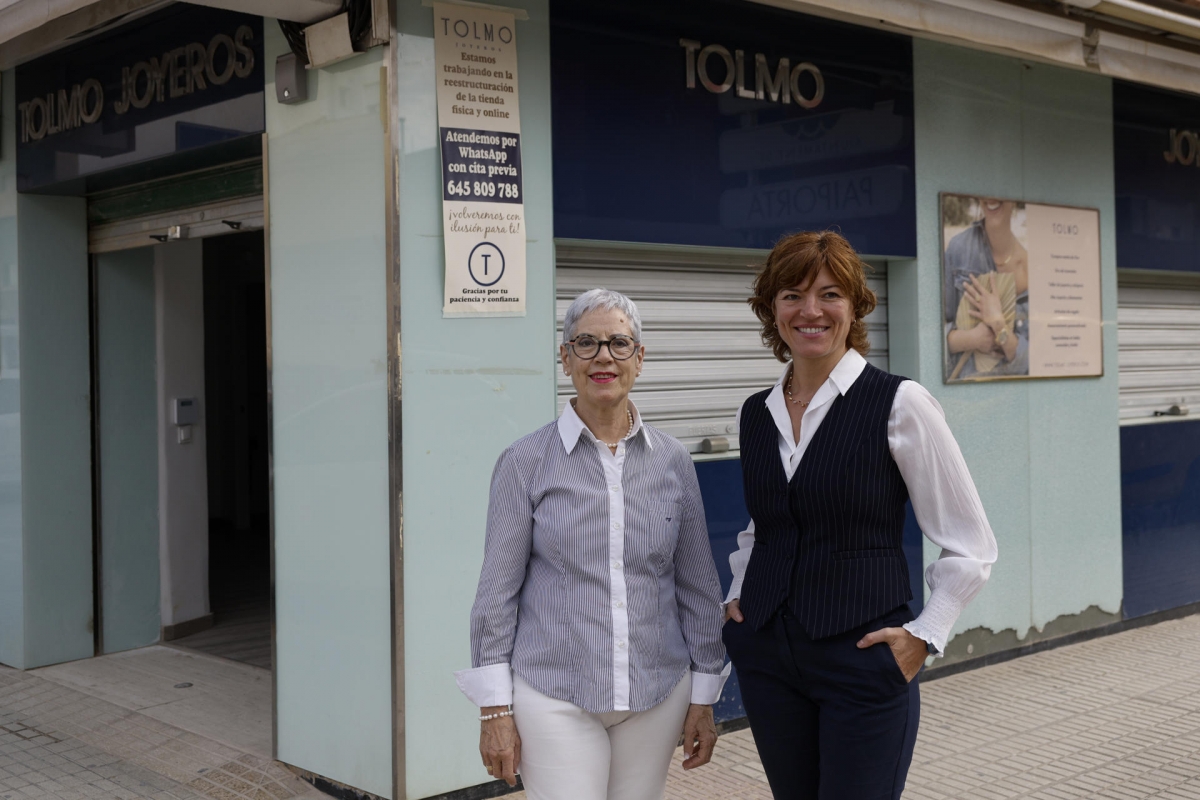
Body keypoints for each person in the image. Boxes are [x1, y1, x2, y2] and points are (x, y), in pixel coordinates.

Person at [722, 231, 998, 799]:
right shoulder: (757, 413)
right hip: (769, 661)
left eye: (829, 294)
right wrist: (738, 595)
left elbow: (971, 541)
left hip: (862, 659)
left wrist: (926, 634)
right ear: (772, 309)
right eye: (792, 295)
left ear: (855, 306)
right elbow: (766, 524)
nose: (811, 310)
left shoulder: (901, 403)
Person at [455, 288, 730, 800]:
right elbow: (496, 595)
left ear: (639, 359)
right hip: (555, 692)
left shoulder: (673, 462)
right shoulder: (525, 462)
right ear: (566, 358)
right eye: (586, 343)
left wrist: (704, 694)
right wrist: (495, 710)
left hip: (655, 692)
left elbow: (696, 585)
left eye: (619, 343)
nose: (604, 356)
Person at [944, 198, 1030, 379]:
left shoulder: (1032, 265)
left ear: (1014, 201)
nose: (991, 199)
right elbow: (931, 336)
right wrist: (973, 339)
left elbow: (1036, 364)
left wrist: (999, 325)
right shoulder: (958, 249)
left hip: (1015, 398)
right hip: (965, 396)